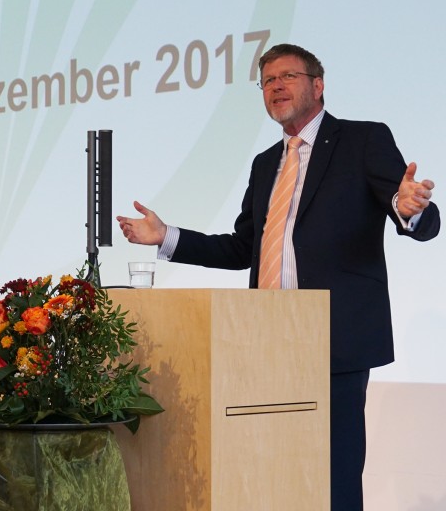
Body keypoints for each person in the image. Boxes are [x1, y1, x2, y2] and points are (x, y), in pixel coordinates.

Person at [116, 43, 440, 511]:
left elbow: (414, 213)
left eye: (287, 76)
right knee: (270, 472)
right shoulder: (265, 163)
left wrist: (409, 209)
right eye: (267, 81)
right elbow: (240, 248)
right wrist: (168, 236)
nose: (276, 87)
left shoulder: (363, 140)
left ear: (318, 85)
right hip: (264, 343)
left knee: (334, 476)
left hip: (334, 340)